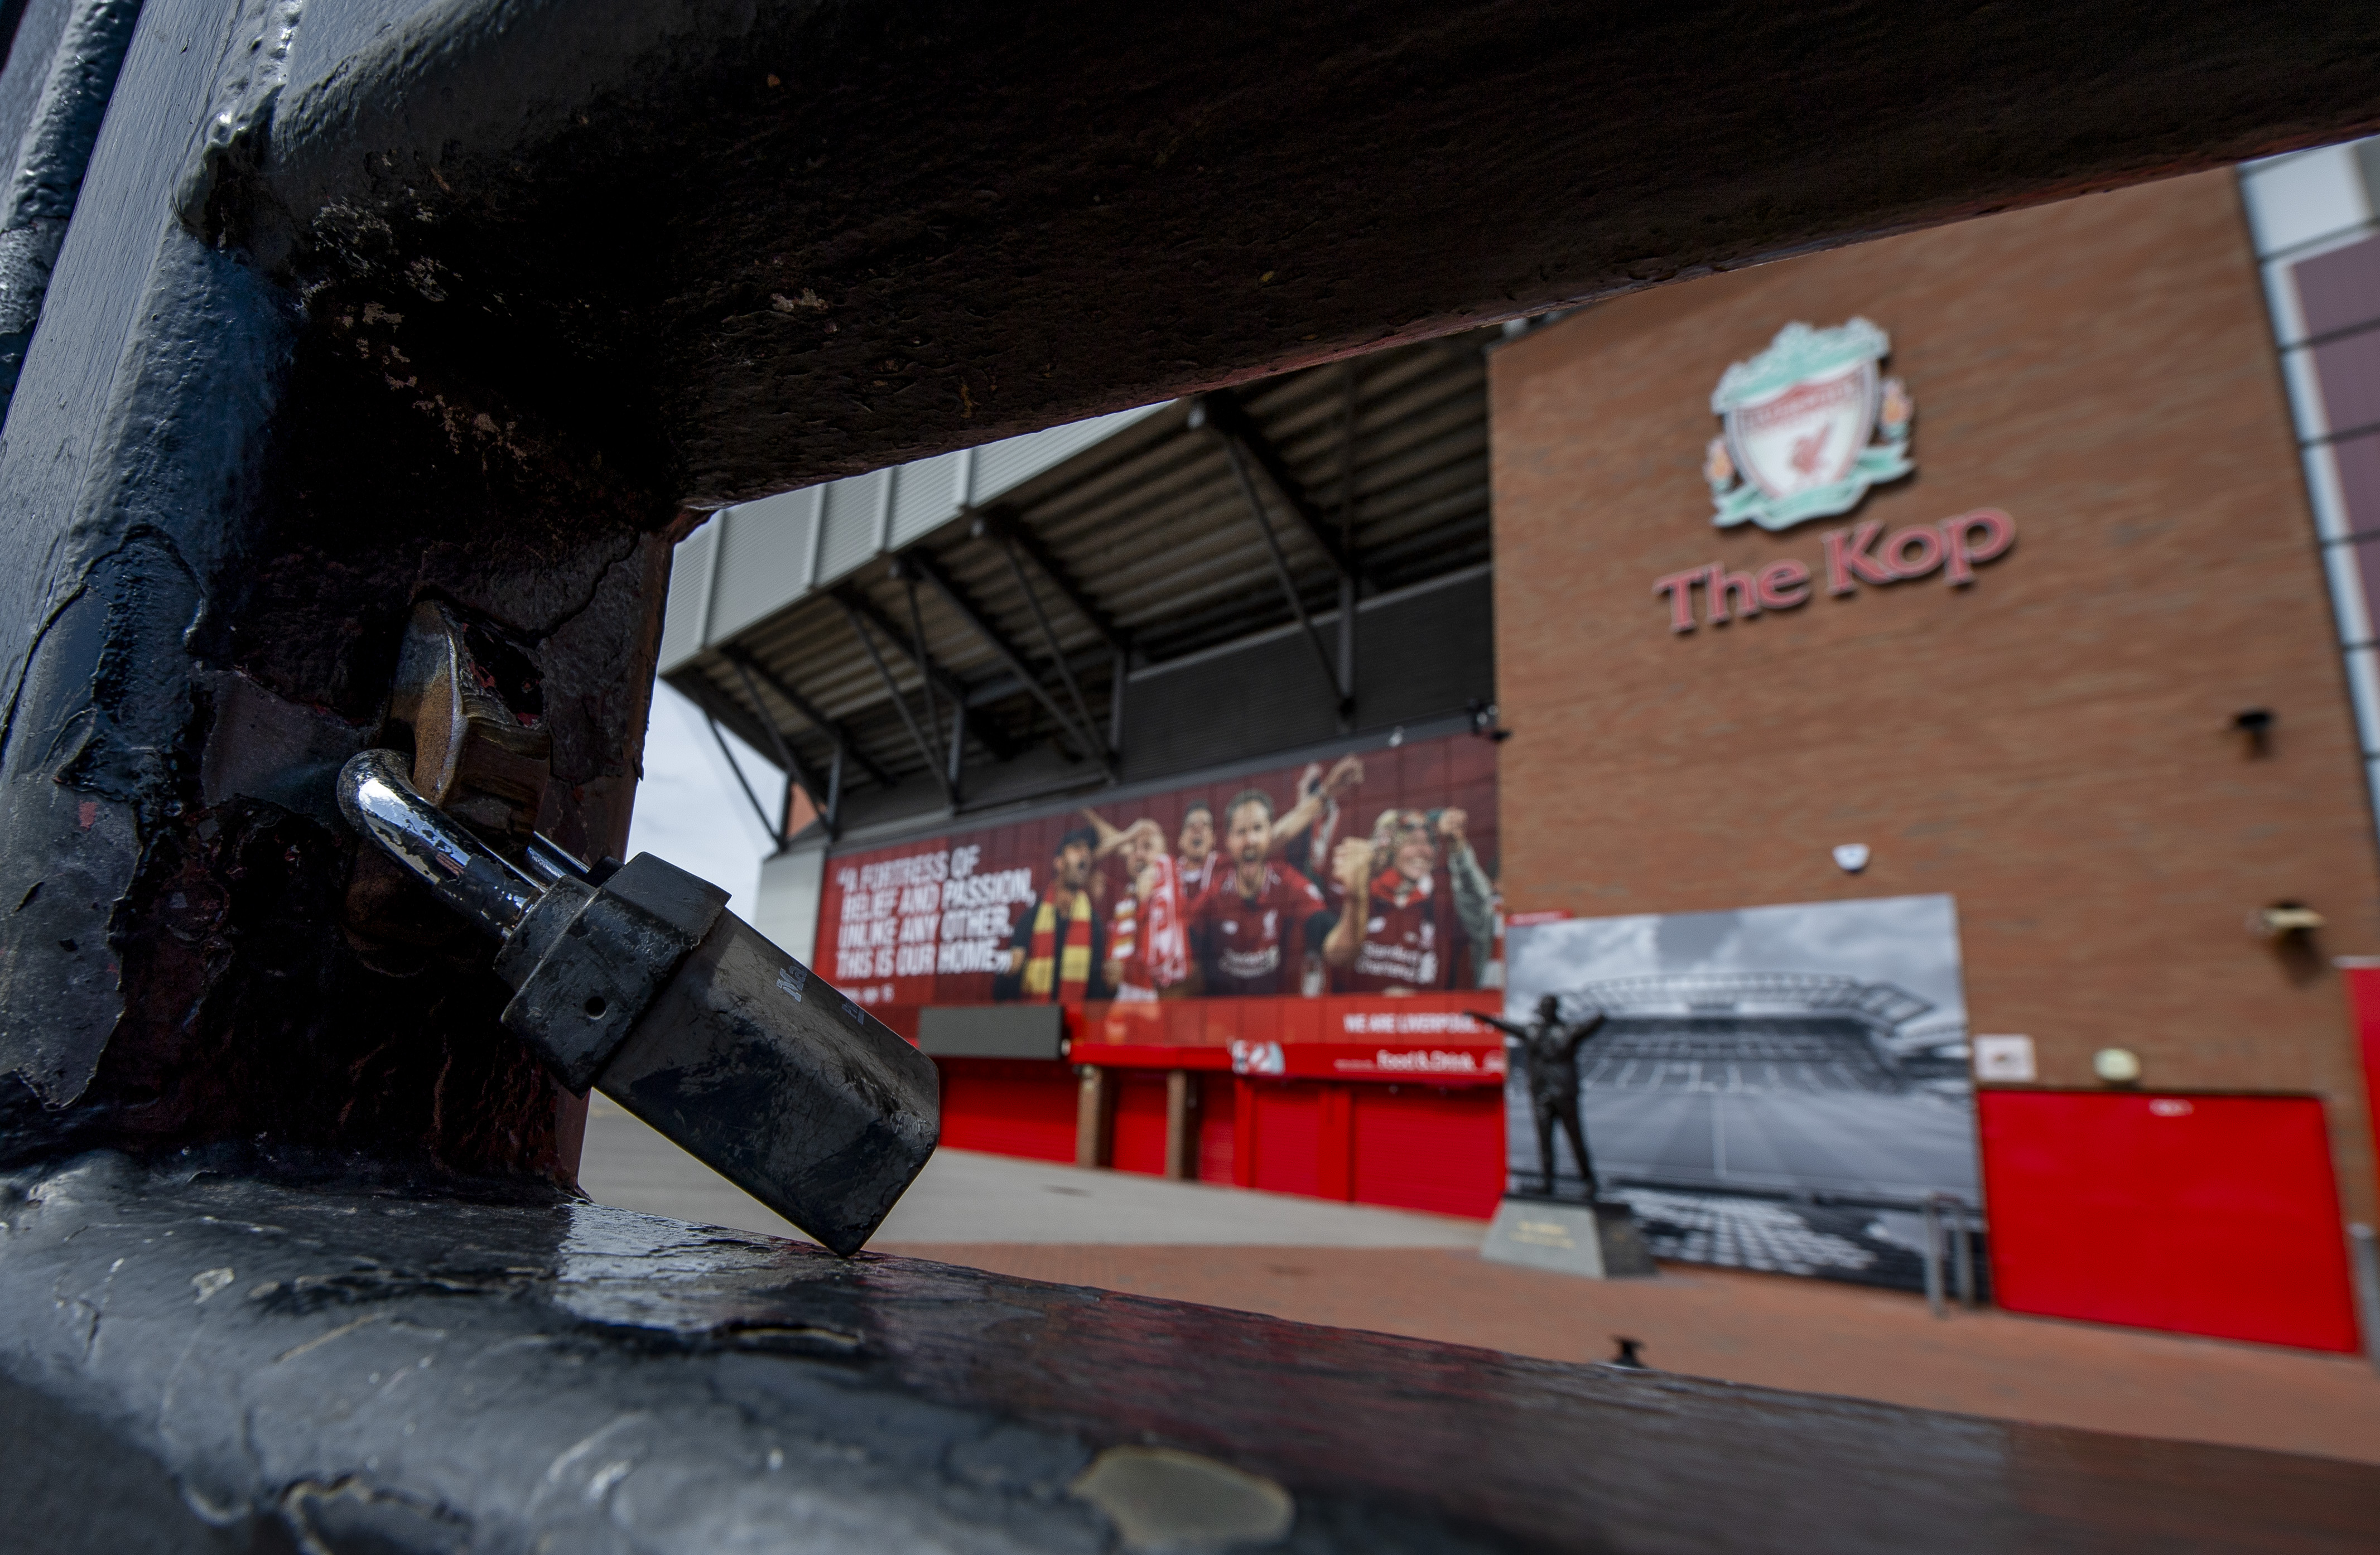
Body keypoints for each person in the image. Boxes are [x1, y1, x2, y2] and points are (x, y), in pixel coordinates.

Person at [1321, 807, 1497, 993]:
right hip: (1355, 1020)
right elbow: (1335, 960)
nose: (1423, 851)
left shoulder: (1442, 907)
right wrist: (1356, 894)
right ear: (1389, 848)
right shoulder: (1356, 896)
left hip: (1424, 1021)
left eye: (1429, 842)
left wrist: (1458, 846)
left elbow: (1481, 907)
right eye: (1412, 842)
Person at [1186, 789, 1336, 997]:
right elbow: (1186, 956)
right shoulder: (1215, 884)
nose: (1250, 840)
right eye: (1240, 832)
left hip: (1276, 1014)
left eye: (1258, 829)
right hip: (1223, 1017)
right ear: (1227, 840)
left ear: (1269, 835)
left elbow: (1332, 941)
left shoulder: (1286, 882)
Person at [1476, 994, 1607, 1199]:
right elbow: (1505, 1025)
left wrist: (1599, 1009)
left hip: (1564, 1092)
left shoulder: (1568, 1031)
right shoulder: (1533, 1031)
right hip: (1541, 1094)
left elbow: (1595, 1022)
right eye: (1543, 1008)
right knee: (1544, 1141)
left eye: (1548, 1007)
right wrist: (1479, 1016)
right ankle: (1547, 1182)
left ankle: (1589, 1180)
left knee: (1575, 1139)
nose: (1545, 1011)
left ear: (1554, 1010)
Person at [991, 825, 1111, 1005]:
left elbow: (1094, 1001)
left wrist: (1112, 989)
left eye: (1088, 851)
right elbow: (1001, 995)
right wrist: (1009, 973)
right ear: (1059, 862)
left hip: (1073, 1029)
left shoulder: (1095, 924)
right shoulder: (1029, 919)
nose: (1085, 854)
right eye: (1077, 848)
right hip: (1035, 1025)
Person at [1081, 811, 1186, 1001]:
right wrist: (1128, 835)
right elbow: (1085, 864)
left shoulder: (1177, 895)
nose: (1138, 854)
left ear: (1163, 857)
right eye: (1133, 849)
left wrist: (1128, 974)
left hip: (1160, 1013)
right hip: (1119, 1011)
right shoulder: (1120, 896)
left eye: (1147, 847)